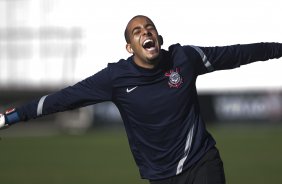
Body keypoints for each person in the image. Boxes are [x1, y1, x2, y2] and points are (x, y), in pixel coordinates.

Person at [1, 15, 282, 184]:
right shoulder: (115, 78)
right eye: (137, 31)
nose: (145, 31)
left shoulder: (184, 58)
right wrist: (10, 117)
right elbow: (62, 99)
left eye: (149, 28)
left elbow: (239, 54)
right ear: (130, 46)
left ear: (158, 37)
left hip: (201, 162)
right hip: (159, 176)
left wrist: (278, 49)